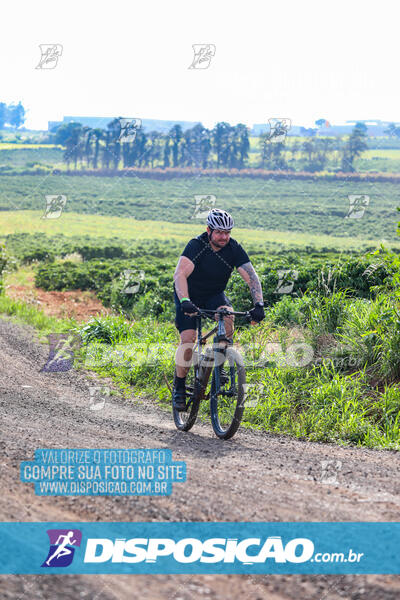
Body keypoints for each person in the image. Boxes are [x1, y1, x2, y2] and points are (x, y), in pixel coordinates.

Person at [172, 208, 265, 410]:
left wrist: (259, 304)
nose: (224, 237)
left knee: (228, 316)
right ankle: (179, 386)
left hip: (213, 294)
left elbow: (251, 277)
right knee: (188, 340)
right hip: (188, 294)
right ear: (209, 230)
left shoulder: (233, 248)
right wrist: (185, 300)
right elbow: (179, 275)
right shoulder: (196, 245)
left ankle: (219, 366)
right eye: (219, 232)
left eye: (227, 232)